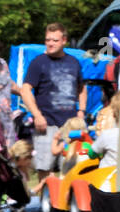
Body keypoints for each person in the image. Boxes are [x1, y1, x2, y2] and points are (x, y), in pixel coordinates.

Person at [19, 22, 86, 182]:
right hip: (46, 124)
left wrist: (81, 110)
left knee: (70, 166)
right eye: (47, 40)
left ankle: (66, 205)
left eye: (54, 40)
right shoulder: (39, 62)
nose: (50, 43)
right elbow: (25, 89)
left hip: (70, 126)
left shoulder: (73, 62)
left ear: (64, 40)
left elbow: (82, 88)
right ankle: (46, 204)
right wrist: (36, 115)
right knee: (45, 168)